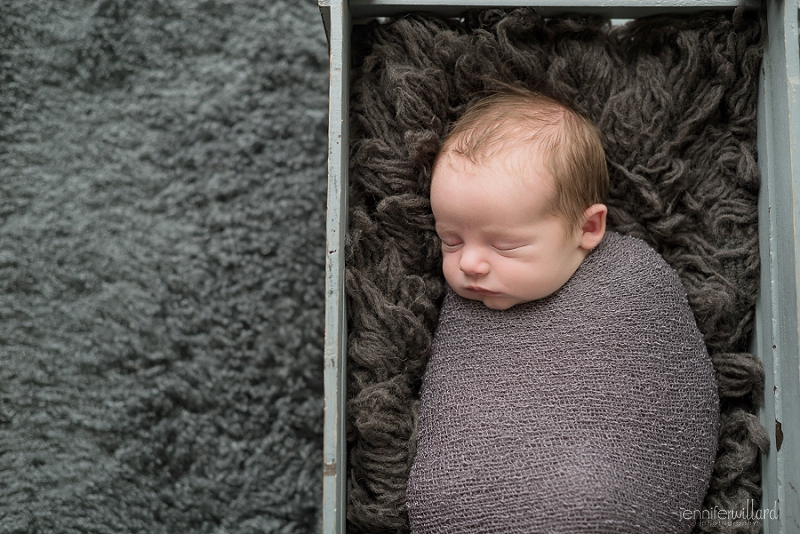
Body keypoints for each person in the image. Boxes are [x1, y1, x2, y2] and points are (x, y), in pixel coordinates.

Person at [406, 86, 719, 534]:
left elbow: (669, 402)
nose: (469, 263)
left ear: (587, 227)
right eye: (450, 239)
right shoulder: (464, 302)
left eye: (505, 244)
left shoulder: (632, 283)